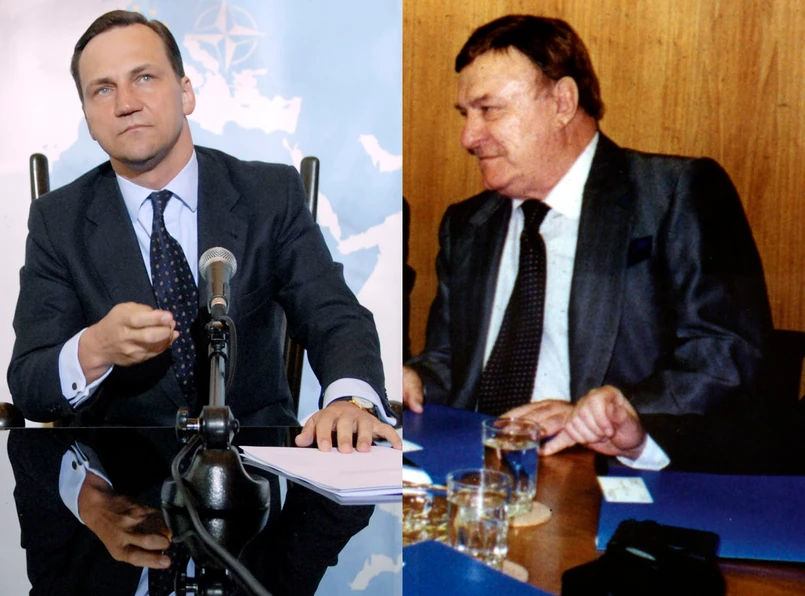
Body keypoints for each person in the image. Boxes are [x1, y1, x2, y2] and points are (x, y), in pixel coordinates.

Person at [6, 9, 401, 586]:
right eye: (102, 90)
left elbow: (333, 313)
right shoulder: (58, 221)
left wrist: (351, 400)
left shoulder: (268, 193)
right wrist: (93, 349)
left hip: (257, 484)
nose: (126, 103)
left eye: (144, 77)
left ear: (186, 92)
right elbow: (30, 384)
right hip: (118, 482)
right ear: (88, 118)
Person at [404, 15, 773, 470]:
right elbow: (450, 361)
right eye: (466, 114)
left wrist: (611, 414)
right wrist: (417, 378)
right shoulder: (467, 224)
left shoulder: (673, 194)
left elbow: (727, 355)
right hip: (471, 470)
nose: (468, 137)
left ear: (562, 102)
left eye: (490, 109)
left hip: (603, 471)